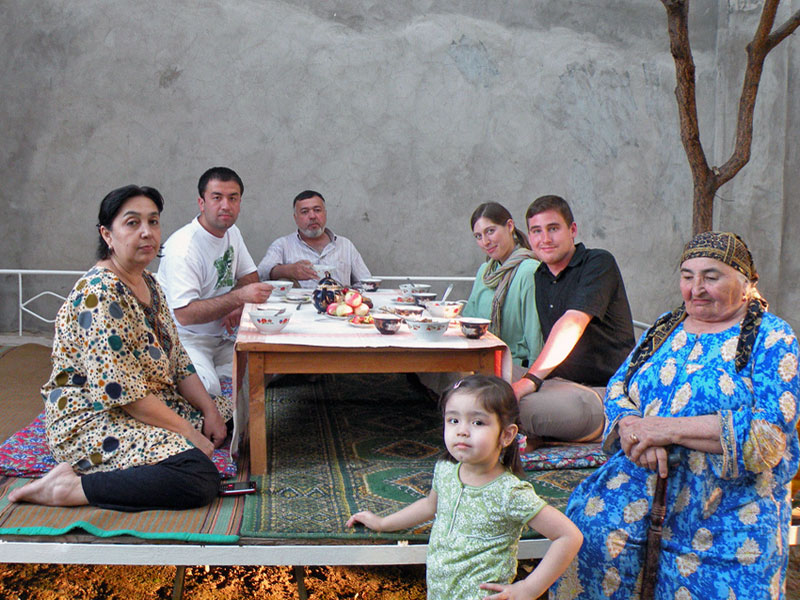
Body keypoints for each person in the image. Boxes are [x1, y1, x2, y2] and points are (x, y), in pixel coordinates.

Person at [551, 231, 799, 599]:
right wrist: (632, 427)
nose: (696, 288)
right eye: (687, 276)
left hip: (726, 508)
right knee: (589, 536)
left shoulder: (772, 337)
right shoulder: (666, 325)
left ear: (746, 282)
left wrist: (665, 430)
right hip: (638, 488)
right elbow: (618, 387)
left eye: (711, 277)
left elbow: (767, 438)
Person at [9, 185, 230, 511]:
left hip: (151, 400)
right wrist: (189, 434)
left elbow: (179, 362)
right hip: (97, 417)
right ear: (107, 235)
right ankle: (69, 488)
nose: (146, 232)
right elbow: (124, 395)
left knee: (230, 417)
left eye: (153, 222)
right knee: (196, 477)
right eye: (132, 223)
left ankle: (189, 431)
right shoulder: (99, 295)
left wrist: (210, 412)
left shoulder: (150, 283)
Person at [347, 375, 583, 600]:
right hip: (441, 591)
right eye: (453, 420)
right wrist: (383, 523)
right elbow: (430, 505)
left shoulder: (509, 493)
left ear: (506, 435)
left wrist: (529, 589)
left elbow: (568, 536)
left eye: (477, 422)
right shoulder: (446, 470)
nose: (462, 430)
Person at [512, 195, 635, 448]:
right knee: (479, 381)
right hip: (554, 384)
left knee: (512, 406)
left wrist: (530, 380)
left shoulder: (598, 262)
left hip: (601, 393)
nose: (545, 239)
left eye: (553, 228)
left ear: (572, 230)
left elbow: (573, 323)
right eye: (537, 231)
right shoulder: (541, 275)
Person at [157, 167, 272, 397]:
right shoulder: (183, 248)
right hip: (186, 338)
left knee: (266, 367)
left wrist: (235, 305)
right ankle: (215, 402)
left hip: (224, 336)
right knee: (206, 389)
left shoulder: (232, 232)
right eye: (217, 198)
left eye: (233, 198)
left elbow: (250, 277)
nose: (226, 206)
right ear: (202, 203)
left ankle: (232, 404)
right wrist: (238, 298)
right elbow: (185, 314)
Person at [462, 202, 543, 367]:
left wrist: (533, 376)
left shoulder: (529, 271)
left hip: (515, 367)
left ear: (510, 226)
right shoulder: (485, 271)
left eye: (490, 231)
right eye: (478, 236)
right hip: (480, 360)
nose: (485, 242)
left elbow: (535, 335)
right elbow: (468, 320)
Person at [257, 190, 371, 289]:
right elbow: (261, 274)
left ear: (325, 214)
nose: (312, 216)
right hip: (298, 306)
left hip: (338, 305)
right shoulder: (282, 245)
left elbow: (366, 282)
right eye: (304, 212)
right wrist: (288, 270)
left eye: (317, 210)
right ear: (295, 218)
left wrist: (348, 294)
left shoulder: (345, 245)